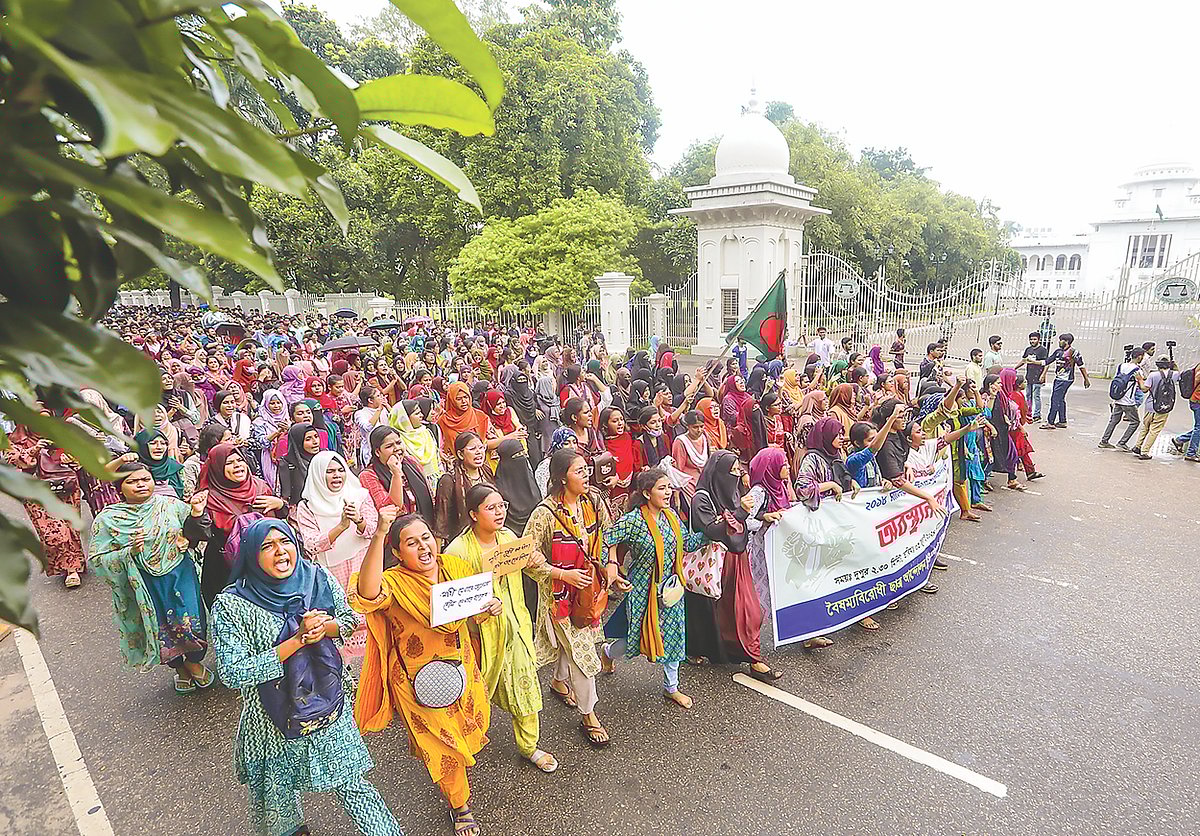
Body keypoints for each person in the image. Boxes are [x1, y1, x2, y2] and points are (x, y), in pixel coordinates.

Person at [211, 520, 402, 836]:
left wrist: (323, 629)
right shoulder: (232, 605)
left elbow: (349, 621)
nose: (280, 551)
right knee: (277, 798)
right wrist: (296, 641)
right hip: (271, 722)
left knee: (353, 784)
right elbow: (233, 672)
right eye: (267, 546)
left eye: (285, 542)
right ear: (250, 555)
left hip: (327, 707)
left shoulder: (316, 577)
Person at [351, 510, 500, 836]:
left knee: (466, 730)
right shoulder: (394, 582)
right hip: (418, 683)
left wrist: (492, 605)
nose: (423, 547)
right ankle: (460, 806)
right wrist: (379, 533)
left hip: (461, 669)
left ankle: (455, 780)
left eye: (426, 538)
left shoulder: (454, 568)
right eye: (411, 543)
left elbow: (479, 607)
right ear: (396, 552)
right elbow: (367, 594)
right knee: (442, 747)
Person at [444, 486, 559, 774]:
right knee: (472, 695)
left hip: (516, 629)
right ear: (473, 514)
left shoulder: (508, 539)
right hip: (479, 638)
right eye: (491, 508)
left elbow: (531, 569)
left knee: (525, 687)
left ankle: (529, 746)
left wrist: (537, 562)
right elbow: (450, 602)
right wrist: (480, 609)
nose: (500, 512)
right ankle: (463, 744)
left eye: (502, 506)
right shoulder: (457, 552)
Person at [90, 462, 212, 692]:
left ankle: (194, 661)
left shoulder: (171, 505)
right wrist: (128, 553)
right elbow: (98, 559)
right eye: (132, 481)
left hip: (180, 573)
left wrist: (190, 534)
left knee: (192, 619)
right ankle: (179, 667)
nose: (140, 485)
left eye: (145, 479)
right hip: (144, 583)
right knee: (160, 625)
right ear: (119, 487)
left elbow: (197, 529)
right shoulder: (108, 519)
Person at [523, 449, 617, 747]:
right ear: (562, 478)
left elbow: (610, 533)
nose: (586, 475)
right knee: (584, 653)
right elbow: (528, 556)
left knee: (574, 644)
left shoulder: (594, 500)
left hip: (588, 591)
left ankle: (557, 681)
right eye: (579, 471)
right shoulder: (544, 513)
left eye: (586, 469)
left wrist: (612, 563)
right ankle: (589, 715)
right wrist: (563, 575)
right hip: (560, 598)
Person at [602, 469, 706, 708]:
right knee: (636, 639)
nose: (668, 492)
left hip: (671, 589)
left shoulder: (671, 516)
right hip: (642, 590)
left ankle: (671, 687)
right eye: (662, 488)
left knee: (675, 636)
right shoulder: (633, 521)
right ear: (647, 493)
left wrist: (713, 533)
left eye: (669, 487)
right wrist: (612, 566)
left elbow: (687, 543)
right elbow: (606, 539)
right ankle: (608, 652)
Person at [687, 450, 783, 675]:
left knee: (748, 610)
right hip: (713, 562)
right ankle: (700, 649)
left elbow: (741, 522)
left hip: (736, 558)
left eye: (738, 471)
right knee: (710, 612)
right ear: (719, 473)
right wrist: (740, 513)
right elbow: (712, 529)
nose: (737, 476)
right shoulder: (702, 499)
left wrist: (758, 516)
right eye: (732, 472)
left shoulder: (732, 492)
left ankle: (754, 658)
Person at [296, 451, 377, 658]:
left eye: (341, 470)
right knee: (344, 618)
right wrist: (341, 527)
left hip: (362, 561)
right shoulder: (307, 506)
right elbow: (312, 544)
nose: (337, 476)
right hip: (332, 571)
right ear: (318, 474)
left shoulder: (359, 496)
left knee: (368, 610)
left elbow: (374, 530)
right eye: (330, 471)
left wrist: (358, 520)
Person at [197, 443, 285, 606]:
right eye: (229, 463)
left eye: (240, 460)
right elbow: (198, 534)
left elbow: (279, 522)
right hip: (227, 569)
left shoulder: (260, 486)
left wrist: (280, 505)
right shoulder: (209, 498)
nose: (237, 465)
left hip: (269, 562)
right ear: (217, 468)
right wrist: (196, 514)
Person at [5, 423, 86, 588]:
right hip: (35, 492)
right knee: (53, 532)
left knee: (70, 528)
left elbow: (79, 460)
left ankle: (74, 566)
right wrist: (36, 448)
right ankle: (70, 569)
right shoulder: (14, 440)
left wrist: (69, 458)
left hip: (65, 486)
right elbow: (16, 461)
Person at [359, 425, 433, 522]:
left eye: (398, 443)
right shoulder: (368, 475)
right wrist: (396, 473)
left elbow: (429, 493)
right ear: (377, 452)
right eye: (389, 446)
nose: (397, 448)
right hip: (397, 527)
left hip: (424, 522)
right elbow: (391, 508)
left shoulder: (411, 461)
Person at [434, 431, 497, 544]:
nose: (479, 452)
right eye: (472, 449)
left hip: (489, 535)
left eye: (481, 448)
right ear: (460, 454)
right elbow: (441, 521)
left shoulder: (486, 471)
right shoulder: (449, 480)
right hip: (463, 539)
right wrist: (437, 553)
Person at [1099, 347, 1145, 450]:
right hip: (1128, 401)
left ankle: (1104, 441)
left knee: (1113, 421)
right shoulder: (1137, 370)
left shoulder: (1121, 366)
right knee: (1135, 422)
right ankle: (1122, 442)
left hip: (1118, 398)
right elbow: (1142, 386)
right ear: (1139, 357)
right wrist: (1141, 380)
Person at [492, 438, 542, 534]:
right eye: (517, 455)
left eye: (523, 454)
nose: (522, 458)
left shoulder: (530, 479)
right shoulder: (497, 491)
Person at [1131, 357, 1177, 459]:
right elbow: (1178, 373)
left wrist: (1140, 380)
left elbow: (1144, 389)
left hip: (1150, 405)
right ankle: (1145, 452)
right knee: (1155, 430)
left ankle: (1138, 446)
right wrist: (1174, 365)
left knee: (1145, 427)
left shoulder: (1153, 375)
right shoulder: (1174, 375)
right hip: (1164, 407)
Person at [1042, 333, 1090, 429]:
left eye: (1061, 340)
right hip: (1058, 378)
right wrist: (1033, 361)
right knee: (1060, 399)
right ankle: (1062, 421)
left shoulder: (1074, 352)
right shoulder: (1058, 352)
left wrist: (1086, 379)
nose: (1059, 342)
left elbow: (1081, 366)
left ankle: (1050, 422)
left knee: (1055, 399)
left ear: (1067, 341)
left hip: (1065, 379)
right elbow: (1047, 361)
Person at [277, 423, 320, 509]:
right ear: (298, 442)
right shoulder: (287, 464)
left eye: (316, 436)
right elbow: (285, 497)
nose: (315, 441)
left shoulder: (323, 458)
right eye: (308, 439)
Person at [135, 427, 186, 499]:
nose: (159, 447)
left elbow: (186, 495)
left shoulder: (174, 467)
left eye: (163, 443)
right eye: (153, 443)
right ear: (142, 446)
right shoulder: (132, 468)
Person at [1015, 331, 1049, 422]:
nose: (1032, 341)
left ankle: (1037, 415)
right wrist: (1014, 368)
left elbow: (1046, 363)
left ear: (1039, 340)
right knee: (1028, 395)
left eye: (1034, 339)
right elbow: (1023, 360)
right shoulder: (1028, 349)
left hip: (1038, 376)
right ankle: (1028, 413)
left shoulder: (1043, 350)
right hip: (1029, 376)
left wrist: (1043, 375)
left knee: (1036, 396)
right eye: (1031, 339)